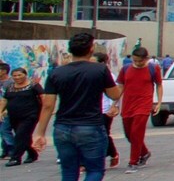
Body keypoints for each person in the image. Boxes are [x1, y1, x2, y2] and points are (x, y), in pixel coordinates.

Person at [32, 33, 123, 181]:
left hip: (62, 126)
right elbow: (114, 94)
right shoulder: (100, 70)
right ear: (91, 49)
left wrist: (40, 133)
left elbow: (48, 105)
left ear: (70, 50)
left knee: (69, 172)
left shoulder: (56, 73)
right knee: (95, 170)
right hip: (91, 125)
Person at [117, 47, 161, 170]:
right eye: (134, 60)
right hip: (128, 104)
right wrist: (114, 104)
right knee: (129, 134)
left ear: (146, 59)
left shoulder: (153, 68)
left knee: (136, 132)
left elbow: (159, 85)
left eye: (140, 61)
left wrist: (158, 102)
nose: (137, 63)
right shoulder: (126, 69)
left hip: (144, 104)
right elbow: (121, 87)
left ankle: (133, 161)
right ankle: (144, 152)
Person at [3, 68, 42, 166]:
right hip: (14, 116)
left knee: (20, 135)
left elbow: (43, 97)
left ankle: (15, 158)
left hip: (30, 115)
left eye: (19, 75)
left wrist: (46, 110)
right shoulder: (10, 87)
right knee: (24, 136)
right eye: (14, 75)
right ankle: (32, 154)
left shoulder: (33, 85)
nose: (17, 77)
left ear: (25, 75)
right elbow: (4, 100)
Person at [90, 52, 119, 170]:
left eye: (93, 62)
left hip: (105, 109)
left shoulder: (109, 75)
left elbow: (116, 93)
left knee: (103, 134)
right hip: (91, 110)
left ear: (102, 63)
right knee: (91, 135)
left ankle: (112, 153)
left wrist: (114, 106)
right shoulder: (88, 74)